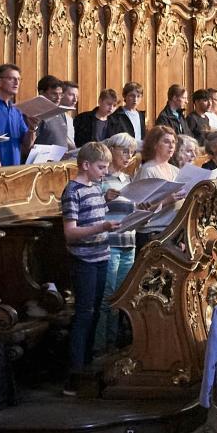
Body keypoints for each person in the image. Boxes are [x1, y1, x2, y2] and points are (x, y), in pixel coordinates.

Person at [60, 142, 122, 393]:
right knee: (84, 315)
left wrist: (107, 201)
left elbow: (95, 213)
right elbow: (70, 233)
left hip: (101, 256)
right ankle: (74, 375)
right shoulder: (72, 190)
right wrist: (102, 227)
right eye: (101, 167)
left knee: (96, 312)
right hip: (84, 260)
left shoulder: (95, 188)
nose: (105, 172)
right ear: (85, 165)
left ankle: (87, 368)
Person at [97, 133, 143, 352]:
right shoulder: (101, 178)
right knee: (107, 296)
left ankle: (113, 345)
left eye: (131, 152)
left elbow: (133, 211)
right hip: (109, 242)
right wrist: (104, 199)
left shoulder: (128, 179)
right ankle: (99, 347)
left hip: (128, 241)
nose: (128, 156)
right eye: (124, 151)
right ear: (111, 150)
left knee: (120, 297)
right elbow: (89, 209)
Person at [0, 63, 30, 166]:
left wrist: (32, 128)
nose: (17, 83)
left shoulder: (16, 110)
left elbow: (26, 146)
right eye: (12, 79)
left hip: (14, 169)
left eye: (19, 79)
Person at [33, 77, 76, 153]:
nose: (58, 98)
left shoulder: (61, 112)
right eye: (54, 94)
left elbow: (62, 139)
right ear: (41, 93)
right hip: (41, 163)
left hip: (60, 163)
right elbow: (29, 145)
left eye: (60, 94)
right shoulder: (35, 113)